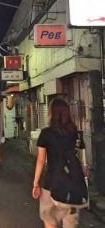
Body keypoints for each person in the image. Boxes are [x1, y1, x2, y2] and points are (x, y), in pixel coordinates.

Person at [32, 97, 83, 228]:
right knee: (70, 224)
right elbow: (77, 154)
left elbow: (41, 160)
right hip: (72, 185)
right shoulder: (73, 131)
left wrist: (35, 183)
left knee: (50, 222)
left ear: (51, 113)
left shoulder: (46, 133)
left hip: (51, 185)